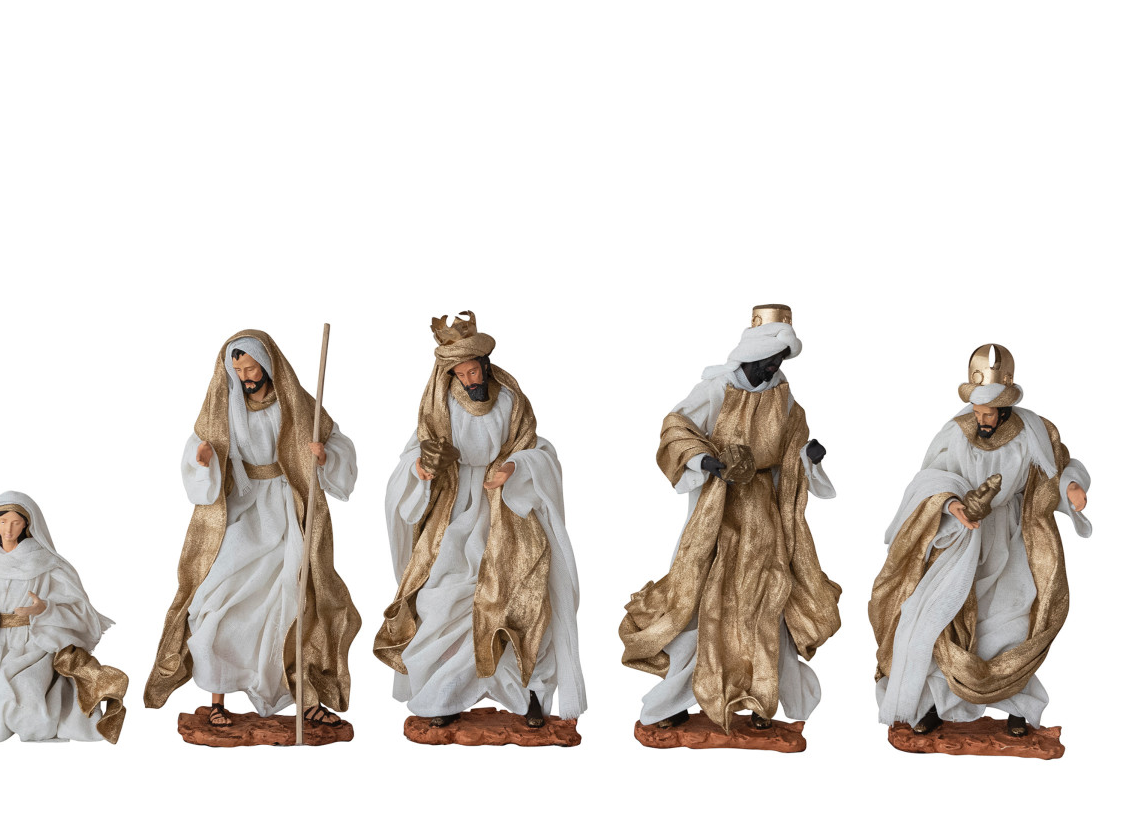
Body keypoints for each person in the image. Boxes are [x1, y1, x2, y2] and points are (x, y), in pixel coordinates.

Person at [620, 304, 840, 734]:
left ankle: (760, 698)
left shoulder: (783, 395)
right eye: (769, 359)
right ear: (751, 354)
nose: (774, 367)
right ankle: (671, 703)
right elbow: (676, 427)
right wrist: (707, 462)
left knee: (767, 601)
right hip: (718, 513)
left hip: (766, 517)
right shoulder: (717, 389)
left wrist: (808, 458)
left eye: (780, 360)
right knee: (702, 604)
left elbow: (793, 447)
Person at [870, 343, 1091, 736]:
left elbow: (1057, 469)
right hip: (963, 541)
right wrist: (951, 503)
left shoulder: (1034, 433)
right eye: (977, 411)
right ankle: (938, 704)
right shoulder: (957, 432)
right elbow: (930, 477)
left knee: (1011, 624)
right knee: (946, 621)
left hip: (1015, 538)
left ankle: (1018, 705)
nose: (981, 419)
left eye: (988, 413)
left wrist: (1072, 487)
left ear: (1005, 409)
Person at [377, 311, 585, 727]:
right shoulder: (440, 407)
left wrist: (514, 468)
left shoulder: (509, 400)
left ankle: (531, 694)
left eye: (474, 371)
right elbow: (415, 453)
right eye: (461, 374)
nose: (470, 380)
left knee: (522, 598)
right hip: (454, 510)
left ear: (485, 366)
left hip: (507, 508)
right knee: (442, 599)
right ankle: (444, 695)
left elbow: (537, 450)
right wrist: (422, 468)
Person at [145, 331, 360, 728]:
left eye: (250, 367)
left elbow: (337, 444)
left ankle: (305, 698)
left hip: (287, 505)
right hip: (242, 508)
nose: (245, 375)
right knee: (216, 600)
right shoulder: (223, 408)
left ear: (267, 364)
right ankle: (217, 699)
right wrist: (202, 459)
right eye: (238, 369)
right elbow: (198, 449)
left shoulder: (296, 403)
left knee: (292, 603)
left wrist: (324, 456)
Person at [0, 491, 126, 742]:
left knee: (24, 694)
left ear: (26, 524)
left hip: (33, 645)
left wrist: (44, 609)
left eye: (16, 522)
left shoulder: (45, 563)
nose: (8, 529)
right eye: (3, 521)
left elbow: (77, 608)